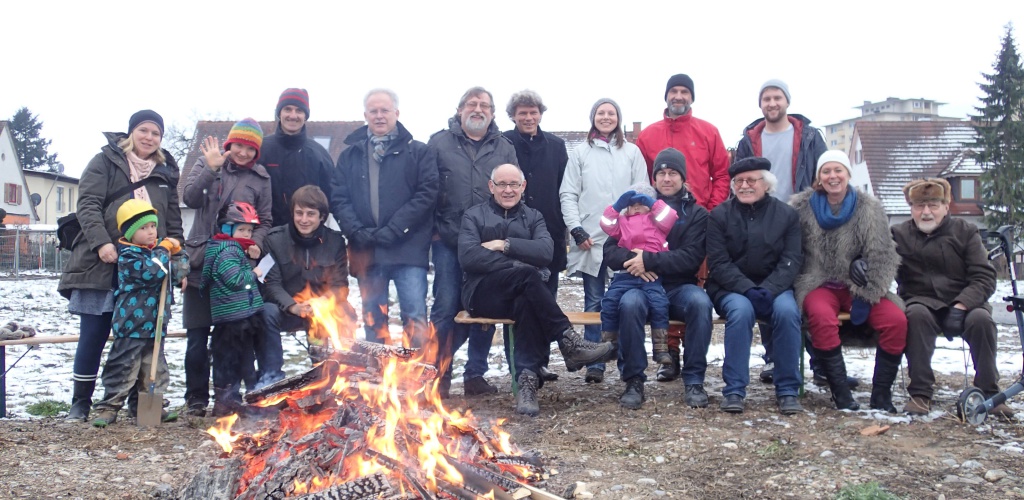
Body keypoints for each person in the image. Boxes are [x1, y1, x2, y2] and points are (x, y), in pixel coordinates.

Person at [460, 164, 615, 416]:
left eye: (514, 184)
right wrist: (519, 262)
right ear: (491, 187)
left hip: (522, 292)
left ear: (523, 187)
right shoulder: (474, 216)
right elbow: (469, 257)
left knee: (527, 301)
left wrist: (504, 244)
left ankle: (527, 384)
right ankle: (569, 341)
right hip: (482, 293)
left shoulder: (534, 217)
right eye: (502, 184)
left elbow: (546, 252)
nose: (508, 190)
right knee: (528, 276)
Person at [58, 110, 183, 422]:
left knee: (142, 339)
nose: (149, 137)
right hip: (103, 262)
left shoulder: (166, 172)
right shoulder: (104, 161)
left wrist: (176, 258)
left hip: (146, 269)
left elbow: (173, 223)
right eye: (143, 130)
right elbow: (87, 204)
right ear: (131, 132)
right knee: (94, 334)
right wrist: (102, 242)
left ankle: (141, 405)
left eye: (156, 133)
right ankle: (81, 402)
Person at [733, 79, 841, 389]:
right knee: (767, 284)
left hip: (803, 220)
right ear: (760, 104)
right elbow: (740, 176)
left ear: (787, 101)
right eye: (766, 98)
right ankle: (774, 358)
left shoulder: (807, 135)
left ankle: (818, 359)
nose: (771, 103)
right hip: (763, 219)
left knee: (805, 288)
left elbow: (824, 171)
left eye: (776, 97)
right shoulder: (749, 139)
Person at [791, 150, 906, 412]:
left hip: (859, 284)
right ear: (819, 177)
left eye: (838, 170)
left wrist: (869, 288)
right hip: (817, 281)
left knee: (896, 319)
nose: (833, 176)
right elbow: (791, 249)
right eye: (826, 171)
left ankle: (881, 393)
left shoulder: (869, 208)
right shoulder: (800, 207)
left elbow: (883, 253)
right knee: (820, 316)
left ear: (848, 174)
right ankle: (840, 392)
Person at [634, 74, 731, 382]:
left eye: (684, 91)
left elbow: (722, 175)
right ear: (666, 96)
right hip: (656, 225)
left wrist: (710, 212)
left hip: (696, 221)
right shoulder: (648, 135)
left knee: (694, 288)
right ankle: (670, 355)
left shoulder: (708, 132)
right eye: (673, 91)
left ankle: (693, 354)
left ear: (691, 97)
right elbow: (638, 176)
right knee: (660, 285)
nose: (678, 96)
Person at [603, 148, 713, 409]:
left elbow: (690, 257)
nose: (666, 178)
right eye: (661, 173)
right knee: (629, 304)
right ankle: (633, 379)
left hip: (677, 287)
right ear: (654, 179)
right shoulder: (634, 209)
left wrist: (649, 261)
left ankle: (694, 378)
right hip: (637, 284)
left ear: (683, 178)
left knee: (700, 303)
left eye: (672, 173)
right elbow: (610, 250)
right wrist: (636, 262)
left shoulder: (696, 214)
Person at [892, 178, 1013, 418]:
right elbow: (880, 261)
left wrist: (963, 304)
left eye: (933, 205)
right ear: (911, 208)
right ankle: (920, 392)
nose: (926, 212)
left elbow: (984, 275)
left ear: (946, 206)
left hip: (966, 302)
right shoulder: (898, 233)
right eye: (919, 206)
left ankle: (990, 391)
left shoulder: (965, 231)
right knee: (914, 316)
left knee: (982, 321)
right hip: (921, 301)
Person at [428, 86, 519, 398]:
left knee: (485, 309)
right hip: (447, 241)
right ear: (459, 110)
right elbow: (427, 189)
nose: (477, 109)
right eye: (471, 104)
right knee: (444, 307)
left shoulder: (504, 147)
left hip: (488, 243)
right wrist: (435, 231)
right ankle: (437, 375)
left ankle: (475, 376)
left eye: (484, 105)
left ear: (492, 113)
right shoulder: (439, 143)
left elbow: (513, 194)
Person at [332, 89, 438, 349]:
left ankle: (418, 380)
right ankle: (379, 382)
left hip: (409, 249)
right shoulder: (350, 155)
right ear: (366, 115)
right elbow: (338, 197)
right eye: (374, 111)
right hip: (367, 251)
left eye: (385, 111)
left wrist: (396, 228)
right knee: (373, 319)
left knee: (414, 317)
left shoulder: (419, 152)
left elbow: (427, 194)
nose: (379, 116)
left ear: (396, 113)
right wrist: (356, 230)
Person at [181, 118, 272, 416]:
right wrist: (210, 168)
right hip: (199, 262)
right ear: (230, 143)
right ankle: (195, 398)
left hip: (234, 266)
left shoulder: (261, 179)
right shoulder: (208, 162)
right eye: (239, 146)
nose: (243, 153)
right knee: (196, 337)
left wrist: (256, 243)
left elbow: (266, 219)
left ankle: (227, 396)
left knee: (231, 338)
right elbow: (190, 198)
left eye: (250, 148)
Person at [705, 157, 803, 415]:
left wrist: (769, 290)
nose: (744, 186)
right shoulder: (719, 216)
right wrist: (747, 289)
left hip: (776, 286)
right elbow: (718, 262)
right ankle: (735, 389)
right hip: (730, 288)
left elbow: (792, 259)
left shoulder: (787, 215)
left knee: (787, 312)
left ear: (766, 184)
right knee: (741, 311)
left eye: (751, 180)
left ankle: (788, 389)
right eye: (739, 181)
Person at [559, 97, 647, 384]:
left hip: (625, 238)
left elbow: (642, 194)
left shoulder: (632, 152)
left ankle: (625, 357)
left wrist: (639, 232)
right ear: (593, 118)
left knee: (624, 299)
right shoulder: (581, 153)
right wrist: (576, 228)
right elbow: (569, 193)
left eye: (611, 113)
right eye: (601, 113)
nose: (606, 117)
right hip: (591, 238)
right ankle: (594, 360)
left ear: (618, 118)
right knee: (594, 300)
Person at [91, 199, 182, 427]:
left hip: (156, 324)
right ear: (131, 233)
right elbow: (153, 272)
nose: (151, 232)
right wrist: (164, 250)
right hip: (132, 323)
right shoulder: (129, 256)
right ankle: (109, 407)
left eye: (153, 226)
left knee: (154, 370)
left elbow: (178, 274)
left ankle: (148, 407)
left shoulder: (159, 252)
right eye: (144, 228)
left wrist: (178, 254)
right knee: (122, 368)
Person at [503, 90, 568, 382]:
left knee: (546, 301)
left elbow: (564, 190)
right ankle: (518, 367)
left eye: (533, 112)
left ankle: (540, 362)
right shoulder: (503, 143)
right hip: (513, 235)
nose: (528, 118)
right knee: (516, 305)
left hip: (549, 236)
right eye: (522, 113)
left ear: (540, 114)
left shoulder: (556, 146)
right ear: (513, 116)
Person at [261, 185, 355, 372]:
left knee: (346, 310)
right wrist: (292, 306)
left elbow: (340, 286)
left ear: (322, 217)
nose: (304, 220)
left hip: (320, 309)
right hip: (286, 309)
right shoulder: (274, 240)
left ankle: (335, 372)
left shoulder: (335, 242)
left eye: (310, 214)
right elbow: (271, 284)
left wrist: (322, 302)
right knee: (266, 312)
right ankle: (271, 377)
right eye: (299, 213)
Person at [599, 182, 678, 366]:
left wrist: (651, 202)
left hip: (652, 275)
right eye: (631, 204)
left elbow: (670, 216)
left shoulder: (657, 222)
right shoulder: (622, 223)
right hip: (625, 274)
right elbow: (605, 224)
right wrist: (616, 207)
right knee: (609, 302)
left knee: (660, 304)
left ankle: (660, 348)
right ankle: (610, 344)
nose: (635, 208)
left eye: (640, 204)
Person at [201, 202, 265, 417]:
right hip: (231, 319)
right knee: (228, 360)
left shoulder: (234, 249)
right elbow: (236, 280)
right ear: (227, 229)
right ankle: (225, 402)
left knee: (244, 359)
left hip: (242, 316)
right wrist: (255, 272)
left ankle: (240, 400)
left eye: (249, 230)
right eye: (241, 229)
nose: (246, 234)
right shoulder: (226, 252)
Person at [261, 88, 335, 228]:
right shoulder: (261, 150)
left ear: (305, 116)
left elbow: (332, 199)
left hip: (308, 239)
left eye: (299, 110)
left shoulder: (319, 155)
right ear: (279, 113)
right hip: (265, 238)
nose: (293, 115)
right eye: (287, 109)